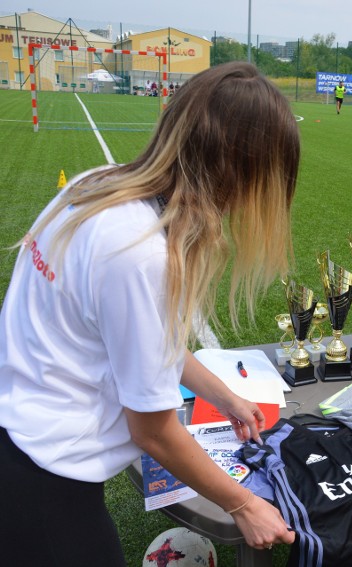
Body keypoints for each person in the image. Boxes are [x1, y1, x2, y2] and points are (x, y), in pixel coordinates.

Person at [0, 62, 300, 565]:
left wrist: (223, 396)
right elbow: (154, 431)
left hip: (18, 437)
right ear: (241, 168)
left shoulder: (98, 185)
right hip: (42, 475)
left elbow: (140, 337)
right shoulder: (141, 253)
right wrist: (244, 504)